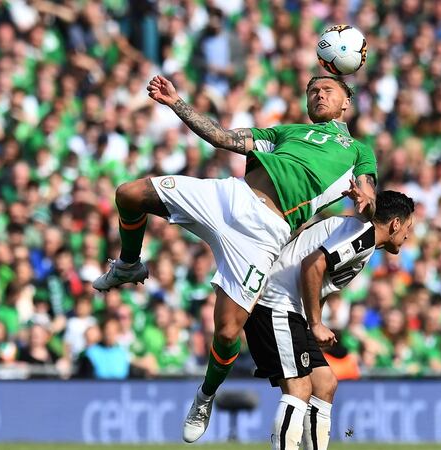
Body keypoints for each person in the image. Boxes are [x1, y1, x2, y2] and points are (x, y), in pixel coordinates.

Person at [93, 73, 378, 442]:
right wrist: (177, 102)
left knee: (228, 331)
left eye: (327, 90)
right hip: (230, 197)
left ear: (346, 103)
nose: (318, 94)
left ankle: (205, 395)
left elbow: (369, 200)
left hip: (264, 234)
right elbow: (221, 137)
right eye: (312, 91)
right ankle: (129, 264)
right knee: (130, 194)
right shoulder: (286, 132)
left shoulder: (358, 151)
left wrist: (366, 203)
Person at [244, 191, 414, 450]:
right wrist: (315, 323)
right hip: (275, 304)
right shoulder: (363, 235)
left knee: (325, 384)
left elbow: (320, 281)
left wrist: (314, 322)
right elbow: (312, 265)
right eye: (408, 227)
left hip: (291, 309)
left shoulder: (361, 235)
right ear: (395, 224)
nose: (408, 235)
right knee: (299, 389)